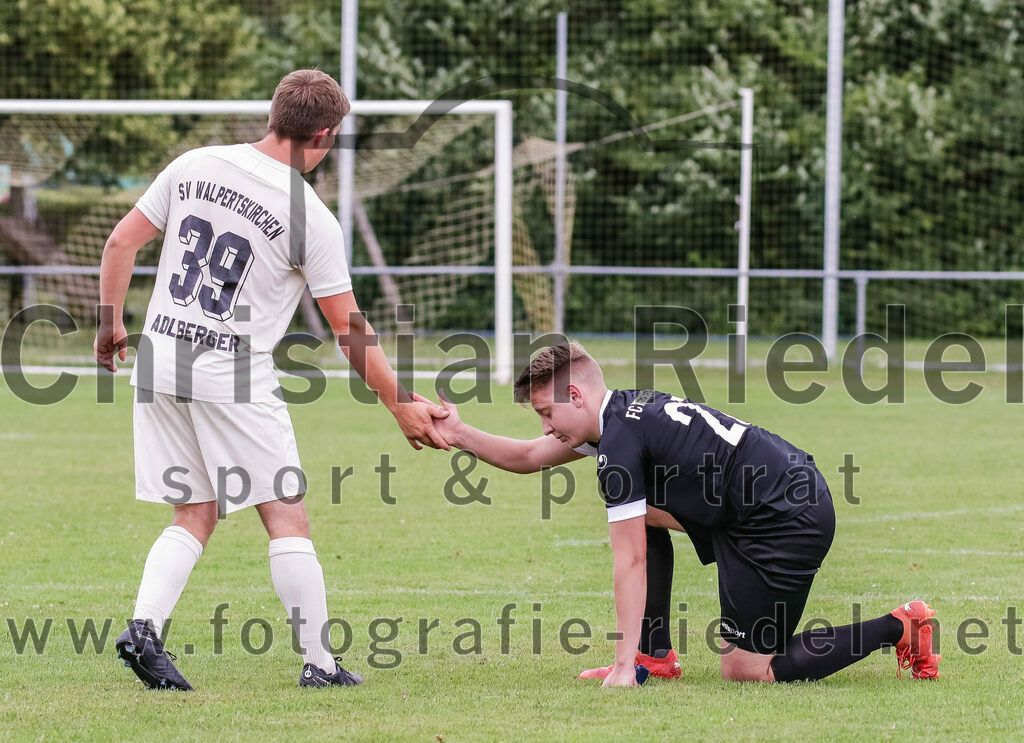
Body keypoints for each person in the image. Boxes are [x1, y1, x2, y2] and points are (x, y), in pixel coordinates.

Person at [94, 69, 449, 691]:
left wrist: (109, 323)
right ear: (324, 133)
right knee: (286, 517)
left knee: (196, 510)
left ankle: (143, 630)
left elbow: (120, 242)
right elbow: (349, 329)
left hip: (158, 360)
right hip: (231, 375)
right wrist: (400, 404)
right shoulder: (310, 217)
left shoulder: (196, 163)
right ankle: (319, 664)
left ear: (273, 116)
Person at [421, 341, 941, 686]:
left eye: (546, 412)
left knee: (747, 671)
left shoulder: (619, 444)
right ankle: (654, 655)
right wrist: (459, 433)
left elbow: (630, 562)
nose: (545, 427)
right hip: (768, 498)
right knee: (640, 512)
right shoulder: (618, 415)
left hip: (785, 516)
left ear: (575, 394)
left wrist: (618, 670)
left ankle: (901, 626)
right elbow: (529, 457)